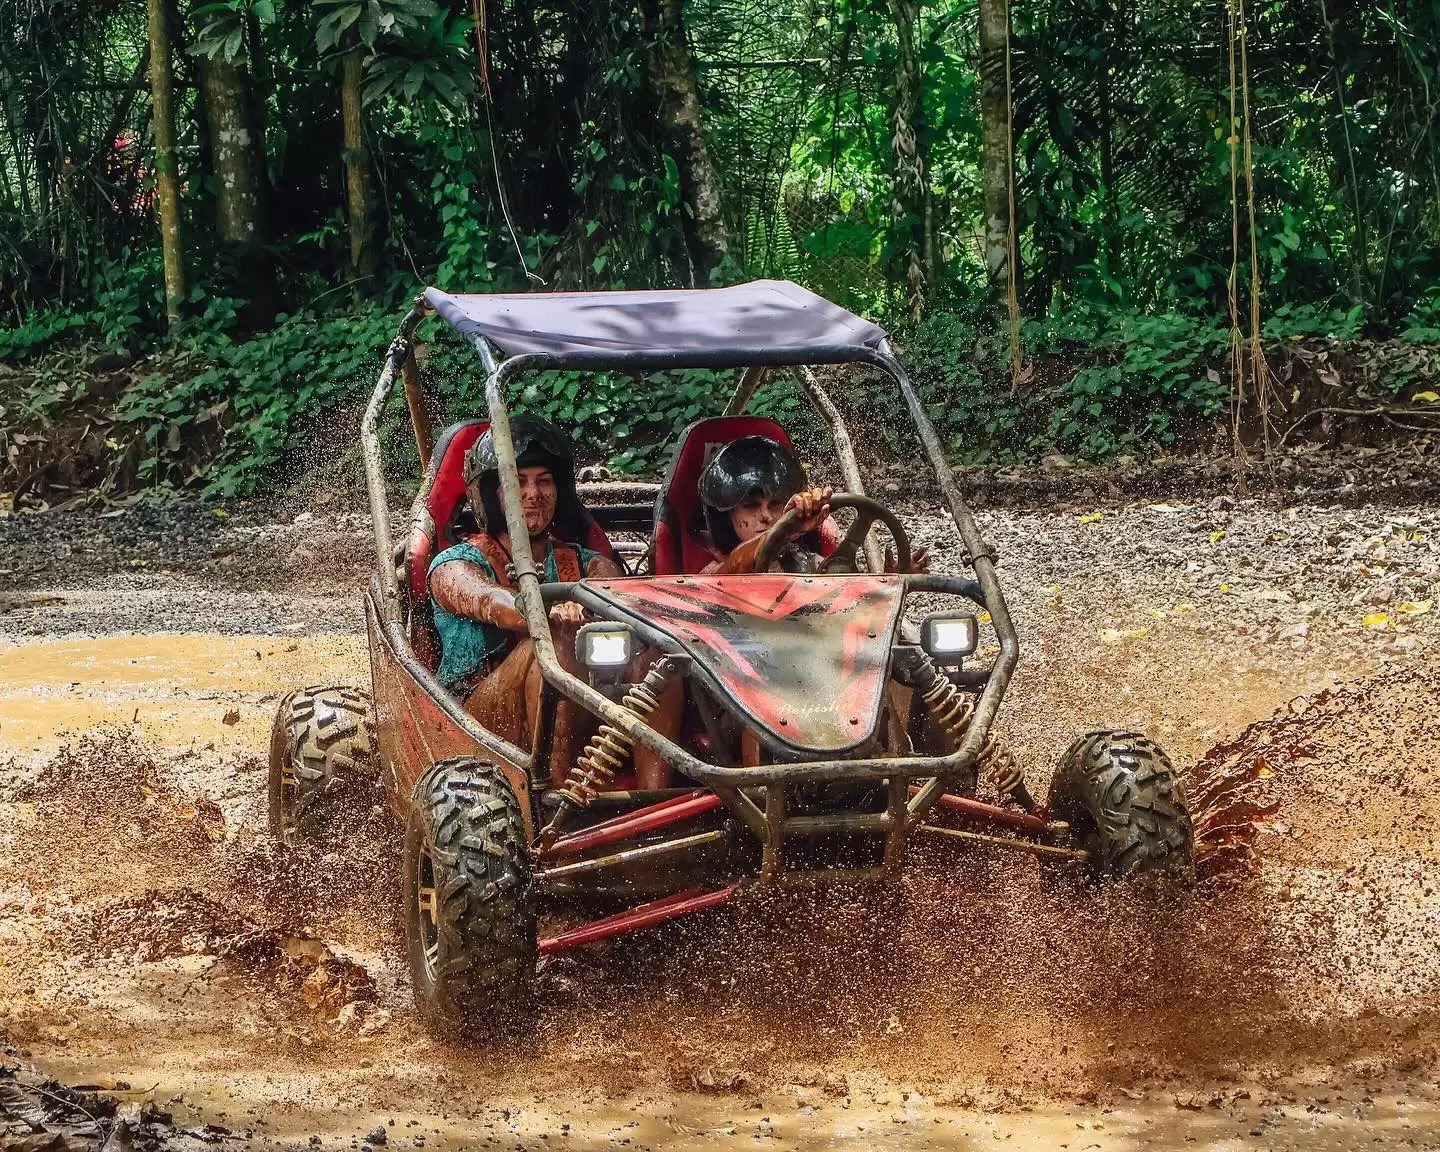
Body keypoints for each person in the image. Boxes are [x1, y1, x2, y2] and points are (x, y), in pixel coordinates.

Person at [428, 416, 622, 787]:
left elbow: (619, 593)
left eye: (544, 481)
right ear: (492, 494)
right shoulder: (456, 563)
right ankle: (554, 804)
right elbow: (489, 601)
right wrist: (543, 613)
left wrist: (597, 599)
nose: (533, 494)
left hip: (586, 710)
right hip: (476, 719)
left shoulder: (581, 560)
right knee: (550, 648)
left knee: (660, 655)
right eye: (517, 482)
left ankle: (657, 792)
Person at [697, 435, 927, 574]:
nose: (766, 516)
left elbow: (853, 607)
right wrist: (785, 531)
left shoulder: (806, 563)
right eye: (750, 506)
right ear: (727, 516)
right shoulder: (716, 571)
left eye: (776, 504)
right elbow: (737, 564)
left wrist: (891, 581)